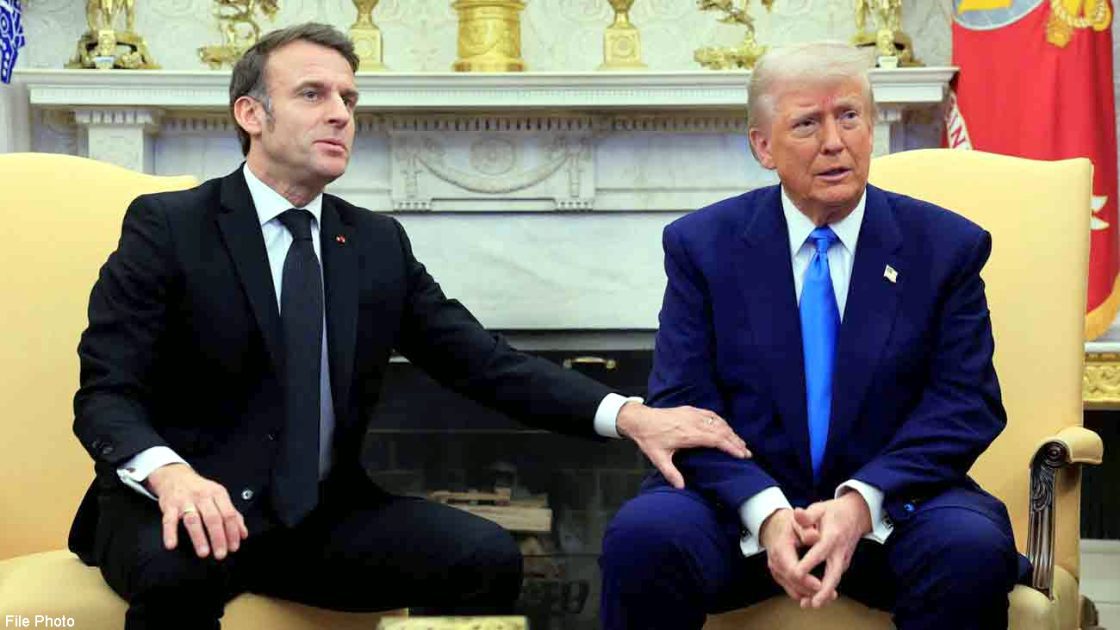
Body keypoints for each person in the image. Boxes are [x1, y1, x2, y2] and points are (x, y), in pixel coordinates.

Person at [68, 23, 749, 630]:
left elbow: (482, 362)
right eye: (313, 95)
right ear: (251, 114)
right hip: (180, 506)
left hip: (318, 518)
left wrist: (629, 415)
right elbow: (106, 393)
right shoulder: (170, 227)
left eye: (349, 99)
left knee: (485, 557)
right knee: (179, 574)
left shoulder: (373, 244)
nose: (340, 114)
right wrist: (171, 476)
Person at [599, 42, 1025, 629]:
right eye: (807, 124)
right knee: (643, 537)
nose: (834, 142)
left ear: (871, 128)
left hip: (894, 509)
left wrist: (861, 501)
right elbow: (681, 405)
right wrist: (766, 511)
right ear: (763, 146)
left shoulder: (945, 247)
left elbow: (965, 404)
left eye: (849, 116)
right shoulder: (703, 246)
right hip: (740, 512)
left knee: (970, 548)